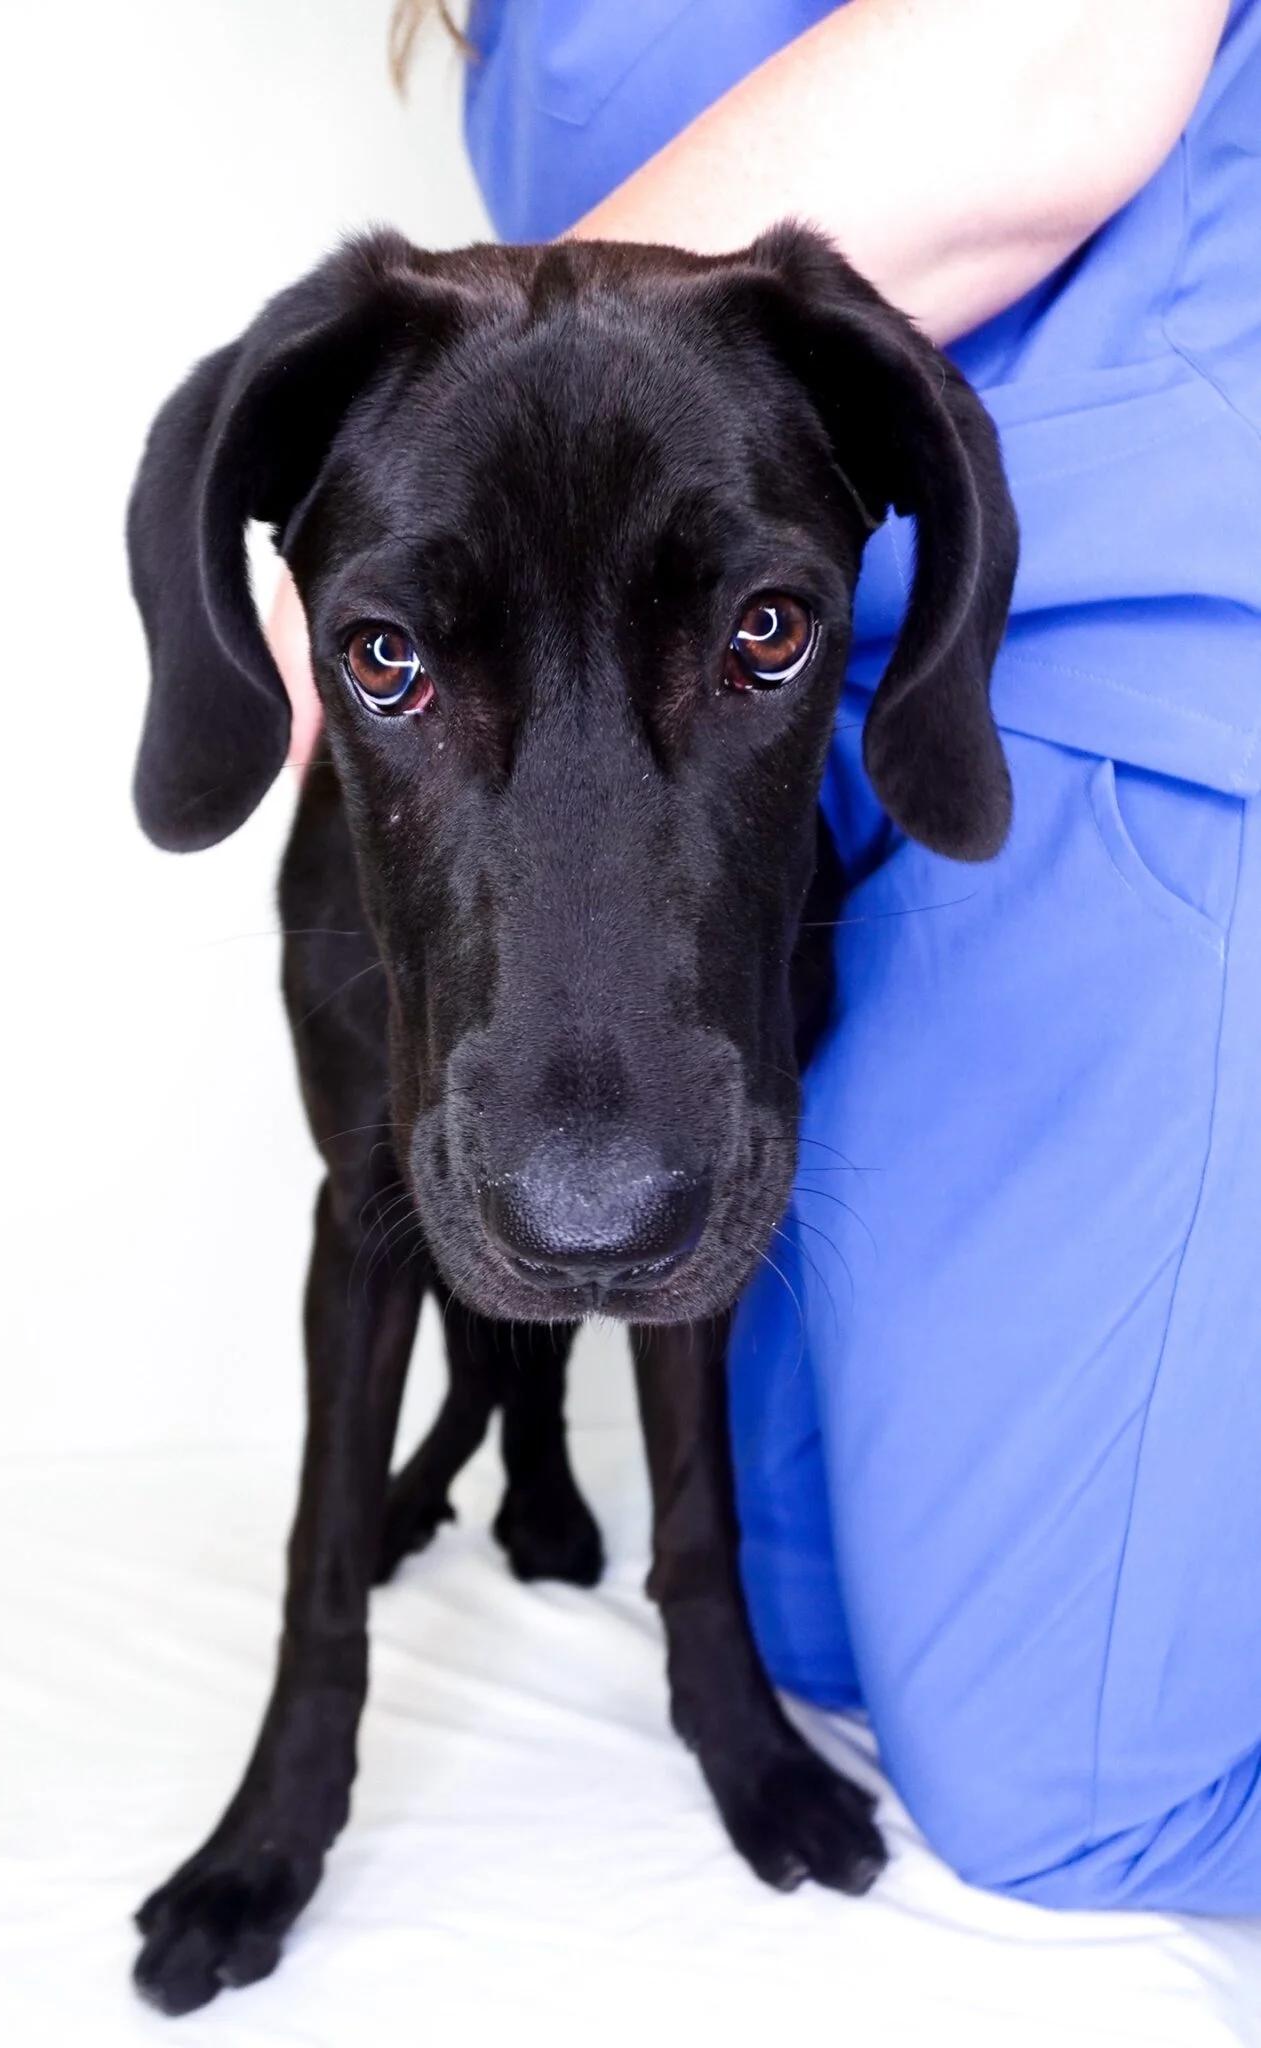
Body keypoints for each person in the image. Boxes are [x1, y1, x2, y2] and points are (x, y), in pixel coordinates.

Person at [276, 0, 1261, 1910]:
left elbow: (1057, 60)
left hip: (1100, 633)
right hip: (769, 771)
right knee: (820, 1638)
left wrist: (456, 403)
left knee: (1058, 1788)